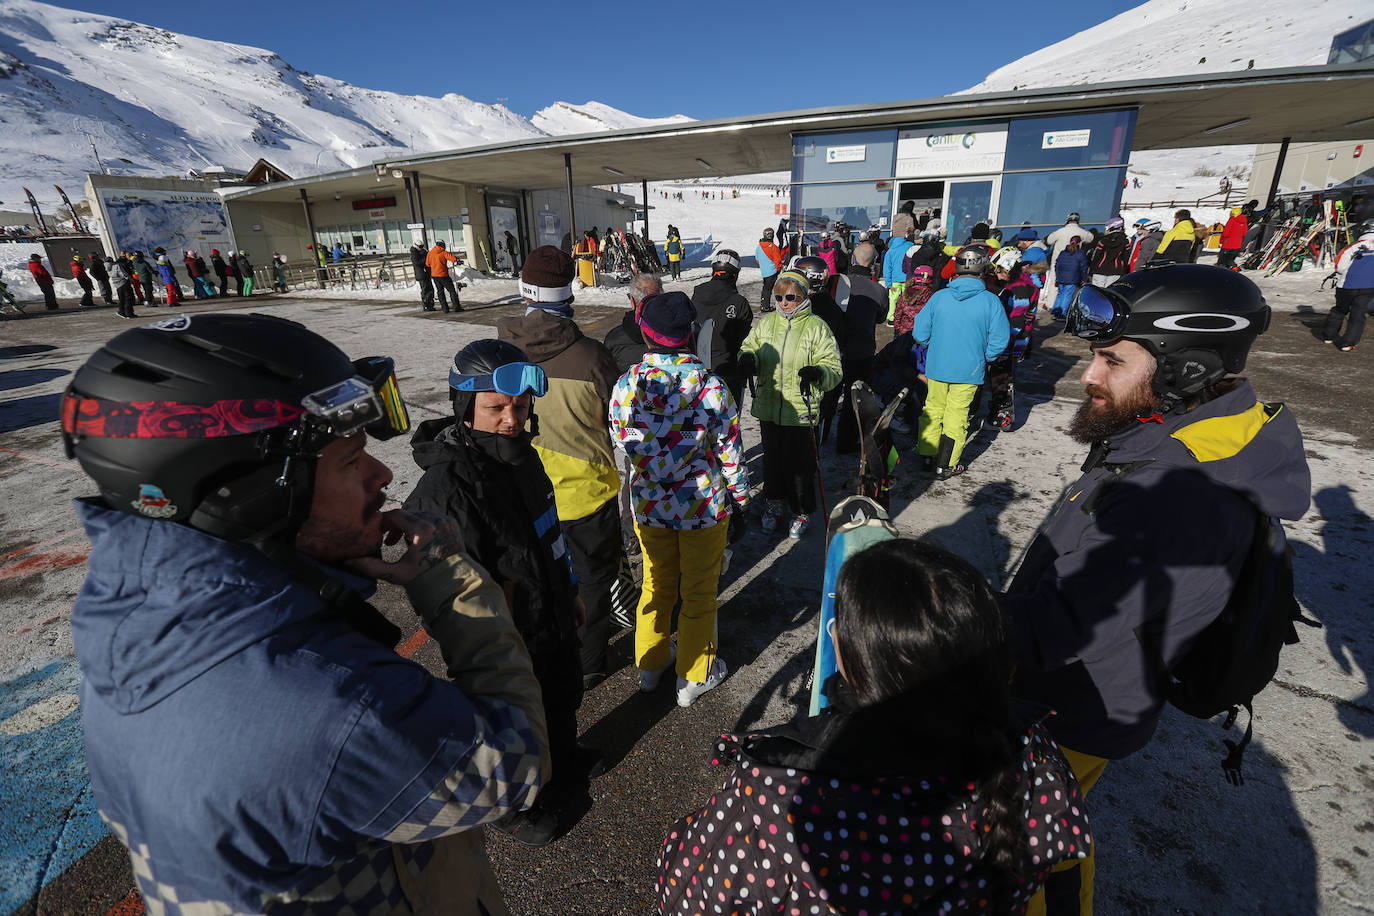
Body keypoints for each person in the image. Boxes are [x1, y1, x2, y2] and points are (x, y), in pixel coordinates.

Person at [64, 313, 548, 915]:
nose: (382, 474)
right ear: (258, 494)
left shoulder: (133, 623)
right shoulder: (334, 707)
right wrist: (451, 579)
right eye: (349, 462)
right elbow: (516, 763)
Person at [1003, 265, 1310, 914]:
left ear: (1187, 370)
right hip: (1092, 690)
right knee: (1056, 838)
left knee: (1023, 863)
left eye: (1111, 360)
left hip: (1070, 704)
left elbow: (1059, 625)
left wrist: (927, 610)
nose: (1088, 376)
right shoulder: (1176, 433)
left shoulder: (1179, 490)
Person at [657, 537, 1091, 916]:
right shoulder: (1038, 762)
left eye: (837, 628)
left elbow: (684, 893)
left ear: (860, 662)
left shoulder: (775, 793)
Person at [405, 339, 598, 846]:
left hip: (548, 610)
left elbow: (549, 531)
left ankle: (562, 758)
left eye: (520, 406)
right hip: (503, 635)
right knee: (508, 722)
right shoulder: (448, 485)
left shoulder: (523, 459)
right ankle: (515, 808)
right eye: (495, 408)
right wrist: (492, 645)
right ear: (466, 407)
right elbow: (448, 595)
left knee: (560, 691)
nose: (511, 420)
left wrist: (571, 590)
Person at [609, 291, 749, 707]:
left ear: (647, 334)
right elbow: (730, 454)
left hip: (650, 506)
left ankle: (651, 665)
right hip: (702, 509)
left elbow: (622, 440)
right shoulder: (711, 388)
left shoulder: (626, 386)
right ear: (689, 334)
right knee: (700, 593)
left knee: (655, 584)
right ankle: (693, 676)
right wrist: (740, 498)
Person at [499, 246, 622, 687]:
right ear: (568, 293)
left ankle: (542, 654)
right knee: (592, 582)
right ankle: (589, 663)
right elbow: (619, 416)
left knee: (536, 578)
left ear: (524, 289)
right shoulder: (591, 356)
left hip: (524, 490)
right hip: (587, 493)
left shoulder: (498, 352)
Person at [737, 269, 842, 539]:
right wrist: (749, 359)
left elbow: (833, 367)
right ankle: (773, 504)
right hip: (769, 406)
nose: (784, 302)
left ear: (804, 296)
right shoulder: (767, 323)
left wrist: (818, 373)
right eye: (779, 296)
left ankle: (800, 510)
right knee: (772, 462)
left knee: (800, 466)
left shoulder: (817, 327)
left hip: (802, 411)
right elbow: (749, 347)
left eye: (790, 296)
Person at [912, 245, 1010, 479]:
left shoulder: (939, 297)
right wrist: (985, 357)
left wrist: (934, 347)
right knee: (957, 416)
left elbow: (920, 333)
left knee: (933, 410)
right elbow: (1000, 340)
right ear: (983, 269)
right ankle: (945, 464)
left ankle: (926, 456)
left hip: (937, 367)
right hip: (970, 370)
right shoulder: (991, 301)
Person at [834, 241, 888, 452]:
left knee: (827, 395)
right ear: (874, 262)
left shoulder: (836, 282)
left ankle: (818, 436)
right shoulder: (879, 290)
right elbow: (881, 318)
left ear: (853, 259)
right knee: (853, 397)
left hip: (833, 348)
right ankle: (846, 442)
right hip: (862, 350)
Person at [689, 248, 755, 405]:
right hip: (728, 374)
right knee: (727, 425)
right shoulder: (739, 303)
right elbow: (745, 342)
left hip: (696, 373)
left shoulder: (696, 297)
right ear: (735, 274)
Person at [1322, 222, 1374, 351]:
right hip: (1369, 287)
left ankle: (1329, 335)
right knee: (1358, 314)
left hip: (1346, 286)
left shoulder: (1353, 247)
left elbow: (1340, 267)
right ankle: (1348, 343)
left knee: (1340, 309)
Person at [1044, 212, 1091, 310]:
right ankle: (1064, 309)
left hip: (1058, 263)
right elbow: (1091, 238)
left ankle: (1051, 305)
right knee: (1068, 291)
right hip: (1074, 266)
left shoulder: (1060, 231)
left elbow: (1049, 240)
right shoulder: (1082, 232)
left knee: (1055, 285)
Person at [881, 226, 916, 324]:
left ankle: (891, 319)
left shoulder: (890, 252)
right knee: (908, 298)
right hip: (908, 277)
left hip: (895, 280)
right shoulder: (910, 245)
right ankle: (907, 317)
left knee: (893, 299)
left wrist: (888, 284)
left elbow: (887, 269)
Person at [1052, 236, 1089, 319]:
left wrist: (1057, 276)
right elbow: (1083, 267)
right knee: (1067, 295)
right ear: (1079, 243)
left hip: (1061, 277)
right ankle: (1062, 313)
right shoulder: (1080, 253)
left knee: (1060, 294)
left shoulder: (1063, 253)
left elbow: (1057, 265)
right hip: (1073, 278)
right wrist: (1084, 278)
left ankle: (1056, 311)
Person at [1088, 217, 1131, 286]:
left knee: (1096, 291)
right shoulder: (1125, 241)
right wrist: (1124, 270)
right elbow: (1126, 257)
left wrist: (1091, 270)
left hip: (1100, 269)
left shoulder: (1103, 240)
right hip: (1116, 271)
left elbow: (1096, 256)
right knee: (1109, 292)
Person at [426, 239, 463, 312]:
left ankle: (445, 308)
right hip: (443, 275)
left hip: (434, 275)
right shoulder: (443, 252)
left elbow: (427, 264)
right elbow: (452, 259)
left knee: (440, 291)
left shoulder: (430, 253)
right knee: (451, 290)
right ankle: (456, 307)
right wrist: (457, 260)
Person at [756, 227, 784, 313]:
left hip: (765, 272)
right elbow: (778, 260)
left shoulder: (759, 247)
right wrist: (778, 269)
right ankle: (766, 306)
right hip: (772, 271)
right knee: (770, 289)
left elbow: (757, 259)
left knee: (765, 288)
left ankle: (764, 304)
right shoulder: (773, 247)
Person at [410, 239, 436, 311]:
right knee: (425, 289)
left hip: (426, 273)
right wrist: (425, 258)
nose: (421, 248)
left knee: (430, 289)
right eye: (420, 246)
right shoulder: (414, 253)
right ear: (416, 246)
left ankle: (430, 304)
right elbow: (417, 263)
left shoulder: (422, 251)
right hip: (421, 274)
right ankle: (426, 305)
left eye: (422, 246)